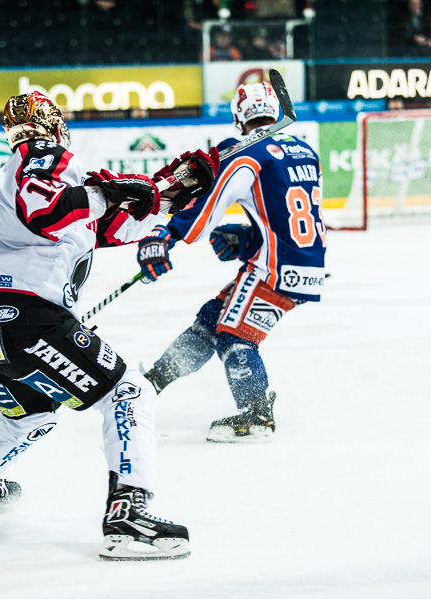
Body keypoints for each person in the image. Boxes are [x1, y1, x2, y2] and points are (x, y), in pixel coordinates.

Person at [0, 91, 219, 560]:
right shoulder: (40, 156)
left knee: (31, 412)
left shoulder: (52, 184)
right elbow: (46, 210)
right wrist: (114, 190)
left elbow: (117, 226)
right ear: (52, 124)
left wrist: (172, 190)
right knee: (128, 391)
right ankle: (128, 515)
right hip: (25, 315)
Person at [136, 81, 326, 443]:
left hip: (271, 269)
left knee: (234, 336)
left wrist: (167, 234)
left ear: (239, 117)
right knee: (212, 318)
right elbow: (290, 216)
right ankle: (150, 385)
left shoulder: (247, 149)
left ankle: (257, 415)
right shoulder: (304, 150)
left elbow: (212, 201)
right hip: (303, 264)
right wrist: (246, 237)